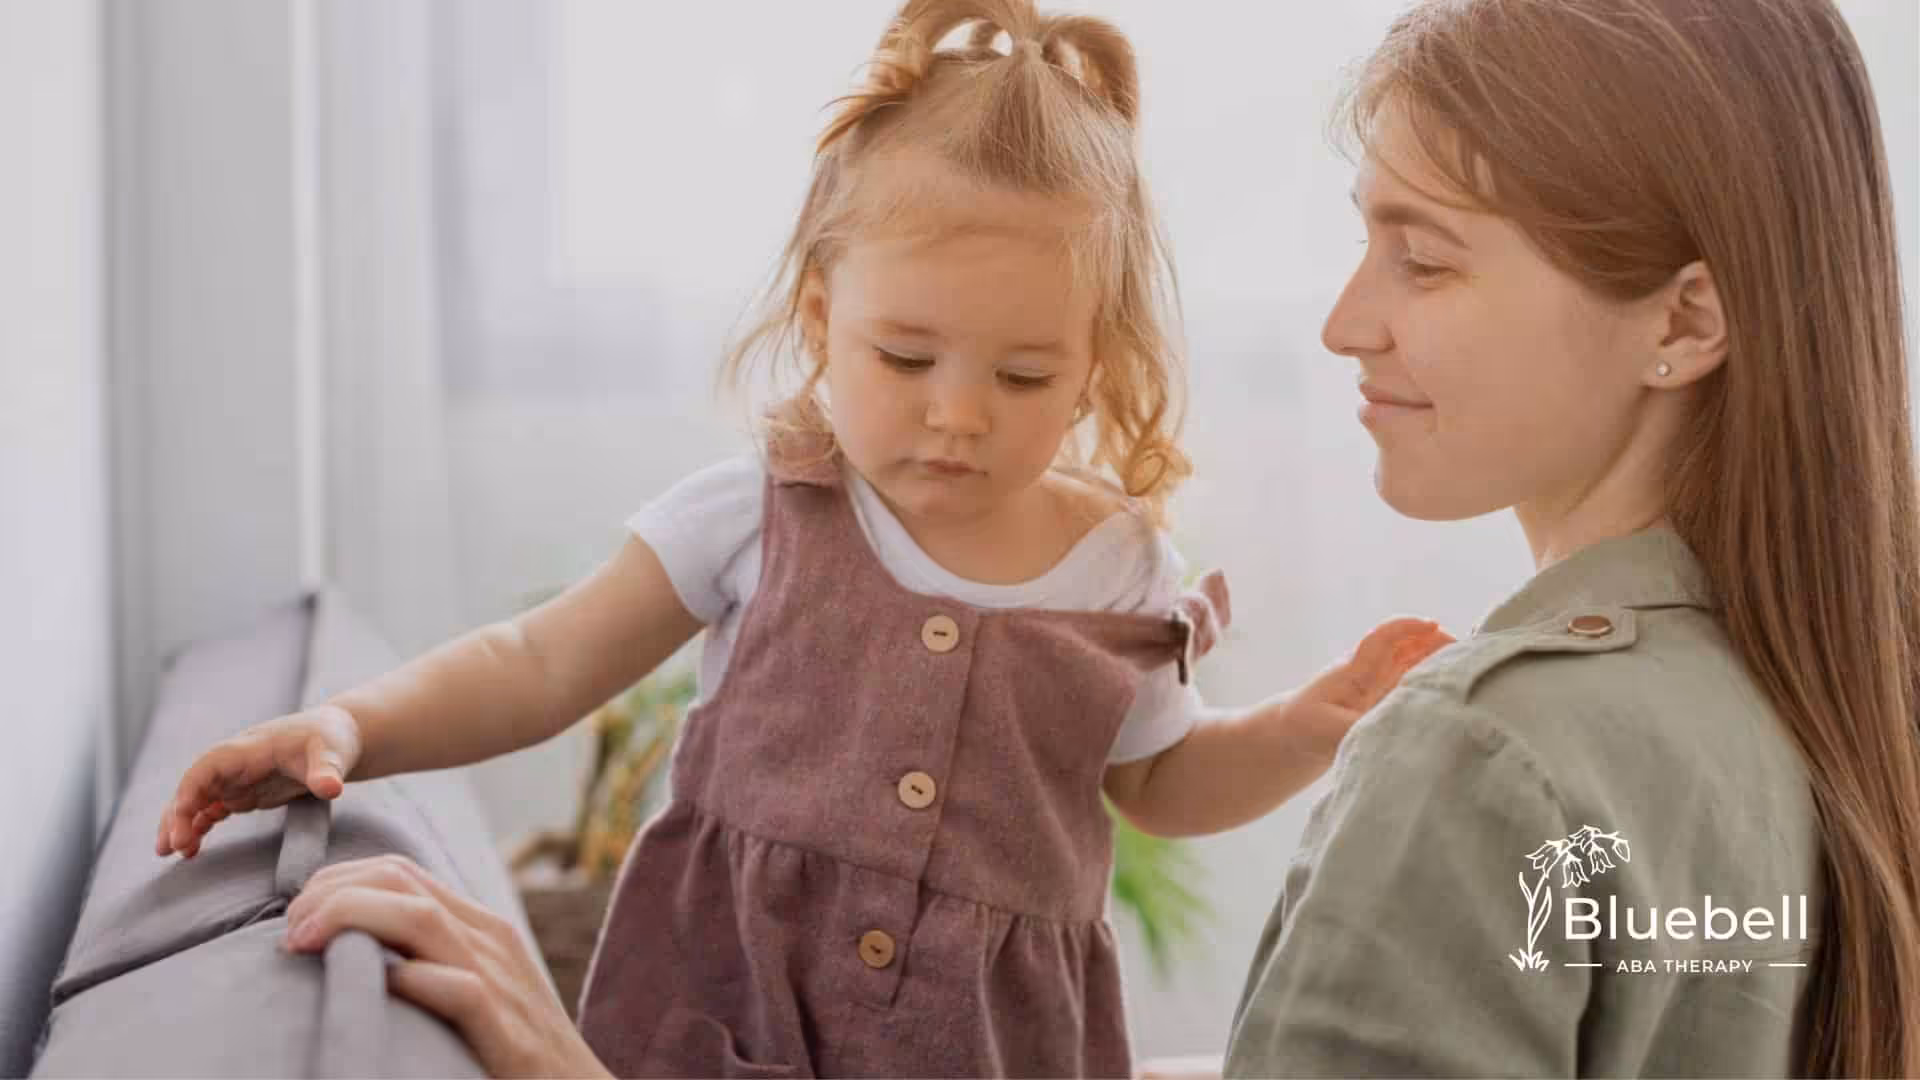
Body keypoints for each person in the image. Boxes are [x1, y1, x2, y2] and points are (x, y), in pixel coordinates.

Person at [155, 2, 1448, 1075]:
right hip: (724, 1006)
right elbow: (539, 663)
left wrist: (1307, 728)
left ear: (1094, 368)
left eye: (1024, 376)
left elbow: (1160, 782)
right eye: (906, 357)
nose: (957, 414)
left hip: (990, 1043)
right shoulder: (762, 508)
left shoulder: (1116, 565)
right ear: (825, 315)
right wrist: (353, 728)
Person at [1226, 1, 1920, 1076]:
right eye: (1367, 243)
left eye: (1424, 260)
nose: (1345, 325)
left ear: (1684, 321)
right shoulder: (1860, 713)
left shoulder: (1481, 756)